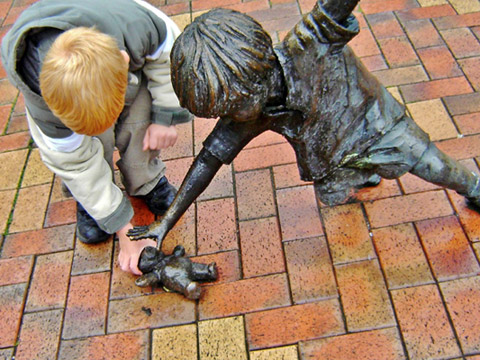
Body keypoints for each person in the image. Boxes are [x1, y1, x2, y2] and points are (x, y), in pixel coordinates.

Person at [128, 0, 480, 249]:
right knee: (335, 195)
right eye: (227, 111)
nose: (233, 117)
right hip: (330, 159)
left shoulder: (311, 42)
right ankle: (364, 173)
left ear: (257, 69)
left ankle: (475, 187)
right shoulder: (245, 116)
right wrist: (166, 221)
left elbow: (335, 6)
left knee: (433, 165)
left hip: (375, 124)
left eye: (235, 105)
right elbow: (207, 162)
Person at [1, 0, 193, 274]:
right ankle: (93, 206)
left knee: (140, 117)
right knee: (87, 153)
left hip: (126, 69)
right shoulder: (43, 103)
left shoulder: (141, 27)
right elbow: (75, 164)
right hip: (80, 90)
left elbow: (170, 61)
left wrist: (165, 115)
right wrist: (122, 228)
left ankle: (146, 180)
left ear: (124, 61)